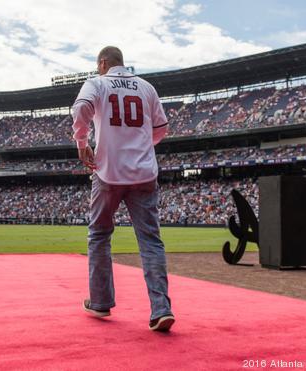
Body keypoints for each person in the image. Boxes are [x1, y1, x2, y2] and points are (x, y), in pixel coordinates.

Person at [72, 46, 174, 331]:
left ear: (103, 63)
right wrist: (141, 144)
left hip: (109, 173)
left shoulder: (97, 83)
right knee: (151, 241)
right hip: (143, 173)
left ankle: (101, 302)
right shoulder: (146, 87)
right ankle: (161, 309)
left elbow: (81, 108)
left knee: (100, 235)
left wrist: (82, 143)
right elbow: (162, 128)